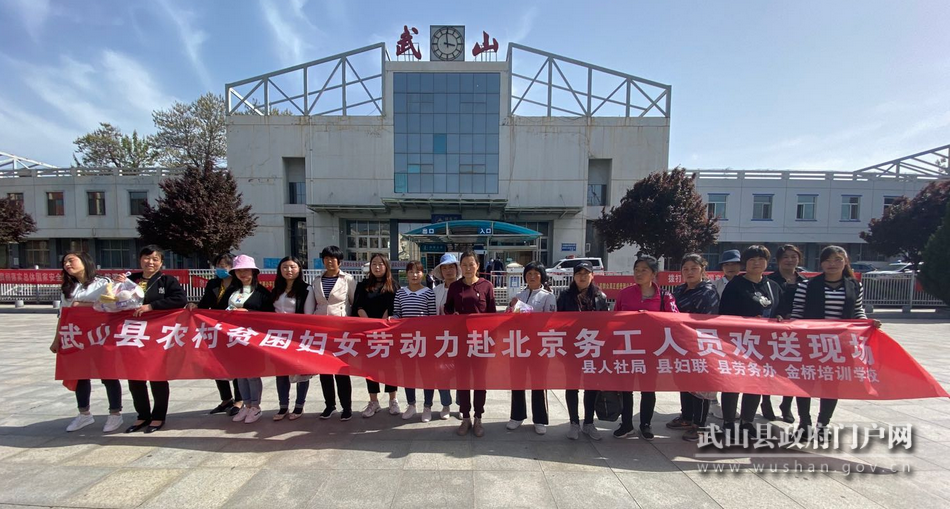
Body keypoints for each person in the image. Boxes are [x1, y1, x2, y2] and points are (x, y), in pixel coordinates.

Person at [789, 245, 881, 439]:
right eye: (828, 260)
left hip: (839, 345)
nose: (832, 264)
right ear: (821, 263)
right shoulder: (807, 285)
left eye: (838, 260)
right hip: (811, 343)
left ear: (845, 262)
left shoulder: (855, 285)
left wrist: (867, 324)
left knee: (832, 384)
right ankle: (804, 423)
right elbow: (797, 312)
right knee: (805, 383)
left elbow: (857, 311)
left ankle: (823, 425)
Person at [51, 251, 124, 433]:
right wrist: (57, 339)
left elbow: (112, 305)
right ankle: (84, 414)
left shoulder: (103, 283)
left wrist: (82, 306)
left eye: (71, 260)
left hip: (101, 336)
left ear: (85, 262)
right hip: (77, 337)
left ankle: (115, 414)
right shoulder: (68, 288)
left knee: (107, 374)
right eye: (64, 262)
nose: (67, 264)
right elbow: (63, 316)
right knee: (80, 374)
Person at [718, 245, 783, 440]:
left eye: (761, 259)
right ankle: (729, 422)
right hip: (738, 341)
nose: (757, 263)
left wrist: (780, 317)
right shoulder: (735, 285)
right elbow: (725, 314)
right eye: (752, 259)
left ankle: (747, 421)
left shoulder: (773, 286)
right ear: (744, 263)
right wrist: (747, 321)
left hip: (764, 344)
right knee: (733, 382)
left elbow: (781, 309)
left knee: (755, 382)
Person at [121, 245, 187, 434]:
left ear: (161, 262)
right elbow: (111, 300)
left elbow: (180, 299)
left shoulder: (167, 281)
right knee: (135, 378)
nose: (150, 262)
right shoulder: (130, 280)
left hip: (156, 336)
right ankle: (142, 415)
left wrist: (151, 307)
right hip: (132, 335)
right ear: (140, 259)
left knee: (157, 377)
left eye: (155, 259)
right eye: (146, 258)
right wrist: (116, 287)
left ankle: (158, 416)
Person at [613, 255, 679, 441]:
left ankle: (646, 424)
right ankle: (626, 424)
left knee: (648, 388)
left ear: (653, 274)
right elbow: (614, 318)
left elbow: (675, 320)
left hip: (652, 350)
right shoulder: (625, 294)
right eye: (636, 270)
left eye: (644, 270)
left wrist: (650, 318)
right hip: (628, 349)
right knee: (626, 388)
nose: (639, 273)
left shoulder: (665, 296)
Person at [666, 253, 720, 441]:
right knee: (685, 381)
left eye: (694, 268)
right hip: (680, 344)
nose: (689, 272)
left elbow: (707, 321)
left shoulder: (707, 291)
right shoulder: (679, 290)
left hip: (700, 345)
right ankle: (687, 417)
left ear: (702, 270)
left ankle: (700, 425)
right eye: (686, 269)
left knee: (701, 385)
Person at [445, 250, 496, 437]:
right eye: (464, 265)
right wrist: (452, 315)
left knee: (480, 381)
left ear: (478, 266)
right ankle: (465, 417)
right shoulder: (455, 287)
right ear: (461, 267)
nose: (467, 268)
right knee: (463, 380)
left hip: (481, 342)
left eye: (471, 264)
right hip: (461, 341)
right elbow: (447, 308)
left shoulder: (486, 286)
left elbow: (492, 314)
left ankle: (478, 418)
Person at [187, 253, 244, 417]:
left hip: (233, 329)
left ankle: (239, 400)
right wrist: (195, 306)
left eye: (225, 265)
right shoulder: (213, 283)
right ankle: (226, 399)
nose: (221, 268)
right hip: (215, 328)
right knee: (216, 364)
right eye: (218, 265)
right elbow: (205, 303)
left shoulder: (240, 285)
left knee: (236, 365)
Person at [305, 245, 357, 421]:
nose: (329, 261)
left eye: (332, 258)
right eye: (326, 258)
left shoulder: (348, 280)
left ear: (339, 261)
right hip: (321, 331)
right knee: (324, 371)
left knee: (341, 371)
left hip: (341, 332)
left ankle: (347, 407)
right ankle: (329, 405)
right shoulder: (316, 280)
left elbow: (353, 303)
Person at [558, 261, 608, 441]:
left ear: (592, 276)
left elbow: (606, 323)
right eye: (579, 273)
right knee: (572, 386)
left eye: (586, 273)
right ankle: (574, 423)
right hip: (572, 349)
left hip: (592, 347)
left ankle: (588, 423)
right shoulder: (565, 296)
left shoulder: (600, 296)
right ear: (574, 276)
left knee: (591, 386)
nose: (582, 276)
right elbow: (557, 321)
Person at [392, 260, 445, 422]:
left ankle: (427, 406)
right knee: (408, 373)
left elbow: (432, 317)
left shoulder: (429, 293)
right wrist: (392, 319)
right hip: (407, 341)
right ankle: (411, 404)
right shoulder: (400, 293)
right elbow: (397, 312)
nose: (414, 275)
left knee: (427, 374)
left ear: (423, 274)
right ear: (406, 274)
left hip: (424, 341)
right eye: (411, 272)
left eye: (418, 271)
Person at [506, 261, 555, 435]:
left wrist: (526, 311)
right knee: (517, 381)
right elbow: (509, 318)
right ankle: (517, 416)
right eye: (529, 274)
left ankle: (540, 419)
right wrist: (511, 308)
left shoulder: (548, 296)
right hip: (519, 344)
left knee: (538, 382)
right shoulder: (519, 295)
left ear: (542, 276)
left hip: (539, 346)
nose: (532, 277)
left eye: (536, 273)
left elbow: (550, 320)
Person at [226, 255, 274, 424]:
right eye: (239, 270)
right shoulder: (232, 291)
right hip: (233, 338)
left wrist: (249, 313)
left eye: (246, 270)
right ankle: (246, 405)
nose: (243, 273)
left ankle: (255, 406)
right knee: (240, 374)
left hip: (253, 338)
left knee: (252, 374)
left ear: (254, 272)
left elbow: (270, 316)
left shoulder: (262, 293)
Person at [761, 244, 806, 423]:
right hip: (773, 331)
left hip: (797, 333)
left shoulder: (804, 282)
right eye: (785, 257)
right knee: (769, 368)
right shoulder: (769, 281)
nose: (790, 260)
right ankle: (765, 401)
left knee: (793, 370)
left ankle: (786, 405)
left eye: (793, 257)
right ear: (778, 260)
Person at [353, 253, 401, 418]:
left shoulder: (393, 285)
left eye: (380, 264)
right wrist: (369, 323)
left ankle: (393, 399)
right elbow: (358, 305)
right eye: (374, 264)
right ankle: (373, 401)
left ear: (386, 266)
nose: (377, 267)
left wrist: (381, 324)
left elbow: (394, 308)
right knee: (370, 367)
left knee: (390, 366)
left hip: (387, 332)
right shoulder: (363, 285)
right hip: (367, 332)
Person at [271, 256, 311, 421]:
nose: (289, 270)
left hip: (298, 337)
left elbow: (308, 315)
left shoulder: (306, 289)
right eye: (285, 267)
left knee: (302, 372)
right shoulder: (276, 290)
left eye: (292, 267)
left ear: (299, 269)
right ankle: (283, 406)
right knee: (281, 372)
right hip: (278, 337)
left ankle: (299, 405)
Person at [427, 253, 461, 419]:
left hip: (460, 338)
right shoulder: (435, 291)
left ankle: (462, 405)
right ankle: (445, 404)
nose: (448, 271)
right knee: (441, 372)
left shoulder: (464, 288)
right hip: (440, 339)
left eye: (451, 267)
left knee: (462, 372)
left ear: (457, 269)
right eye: (444, 268)